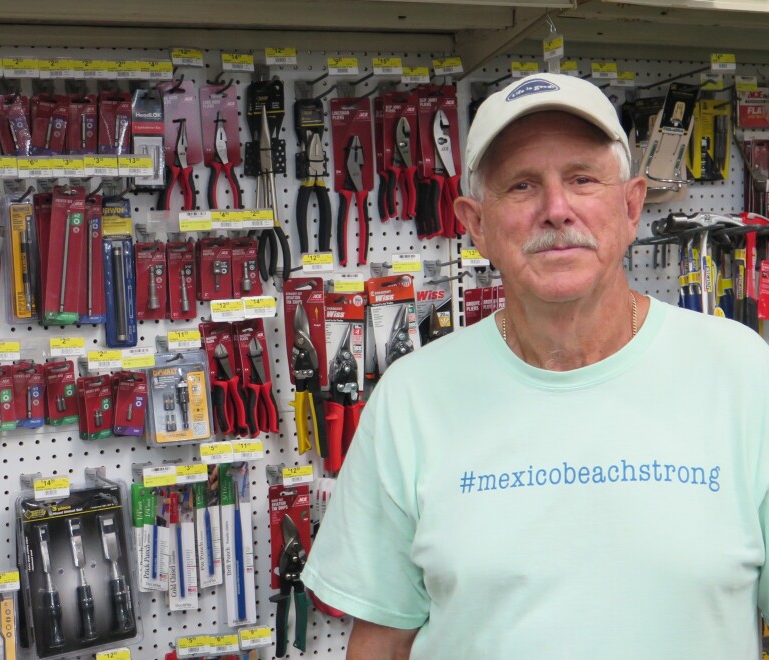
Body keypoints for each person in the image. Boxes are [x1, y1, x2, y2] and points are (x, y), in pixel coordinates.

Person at [301, 72, 769, 659]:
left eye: (582, 179)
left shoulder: (744, 374)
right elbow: (381, 643)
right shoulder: (411, 398)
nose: (556, 208)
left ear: (630, 206)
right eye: (522, 186)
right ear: (474, 226)